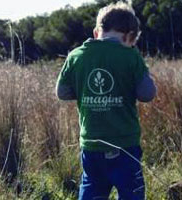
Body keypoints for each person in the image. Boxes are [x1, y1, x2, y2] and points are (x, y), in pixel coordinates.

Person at [55, 1, 156, 200]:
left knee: (92, 188)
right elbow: (147, 94)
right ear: (130, 36)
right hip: (125, 145)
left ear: (96, 32)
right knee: (131, 192)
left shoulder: (76, 56)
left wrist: (87, 92)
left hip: (91, 144)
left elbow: (62, 92)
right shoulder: (130, 56)